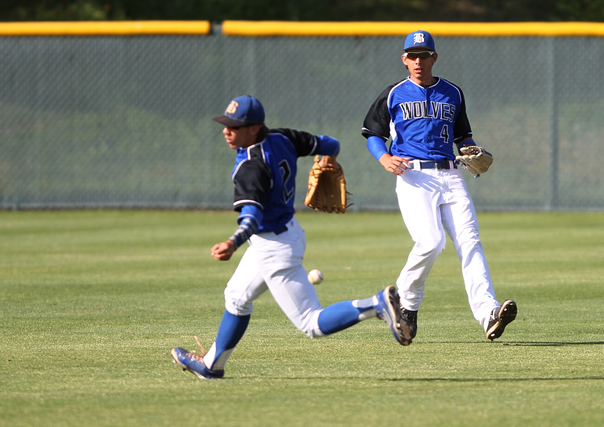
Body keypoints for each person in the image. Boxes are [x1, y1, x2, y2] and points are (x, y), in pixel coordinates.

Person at [172, 95, 411, 379]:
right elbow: (330, 143)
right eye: (226, 124)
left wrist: (232, 243)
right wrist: (328, 160)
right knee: (236, 297)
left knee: (311, 323)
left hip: (274, 248)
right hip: (286, 233)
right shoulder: (283, 138)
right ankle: (213, 365)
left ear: (254, 128)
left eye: (235, 126)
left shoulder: (251, 167)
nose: (227, 130)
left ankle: (376, 305)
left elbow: (251, 217)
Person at [361, 30, 517, 342]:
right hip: (413, 177)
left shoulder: (452, 93)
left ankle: (489, 311)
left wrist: (472, 150)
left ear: (434, 57)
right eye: (412, 55)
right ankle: (406, 301)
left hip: (451, 175)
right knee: (431, 243)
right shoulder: (393, 93)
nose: (418, 61)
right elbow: (372, 132)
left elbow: (463, 137)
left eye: (424, 54)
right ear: (404, 60)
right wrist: (384, 158)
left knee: (470, 243)